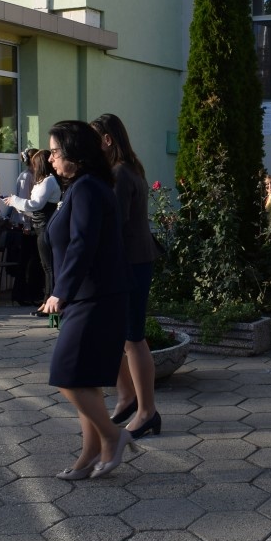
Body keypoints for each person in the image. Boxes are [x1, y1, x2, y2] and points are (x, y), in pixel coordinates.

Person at [40, 120, 133, 479]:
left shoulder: (88, 188)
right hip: (89, 296)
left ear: (75, 154)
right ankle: (89, 453)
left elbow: (83, 244)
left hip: (95, 296)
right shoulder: (81, 186)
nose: (50, 158)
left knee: (67, 374)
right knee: (84, 377)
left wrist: (60, 291)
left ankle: (112, 436)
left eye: (55, 152)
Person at [92, 113, 163, 440]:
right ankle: (128, 397)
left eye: (95, 139)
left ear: (108, 140)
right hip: (133, 261)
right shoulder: (129, 168)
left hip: (130, 263)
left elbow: (114, 224)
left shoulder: (121, 172)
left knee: (133, 337)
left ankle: (146, 412)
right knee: (118, 334)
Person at [7, 148, 61, 312]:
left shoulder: (48, 181)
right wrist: (20, 207)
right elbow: (35, 208)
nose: (33, 168)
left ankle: (49, 303)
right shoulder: (45, 181)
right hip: (40, 225)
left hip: (44, 227)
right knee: (46, 266)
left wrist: (15, 200)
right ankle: (46, 301)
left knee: (48, 267)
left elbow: (36, 204)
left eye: (35, 164)